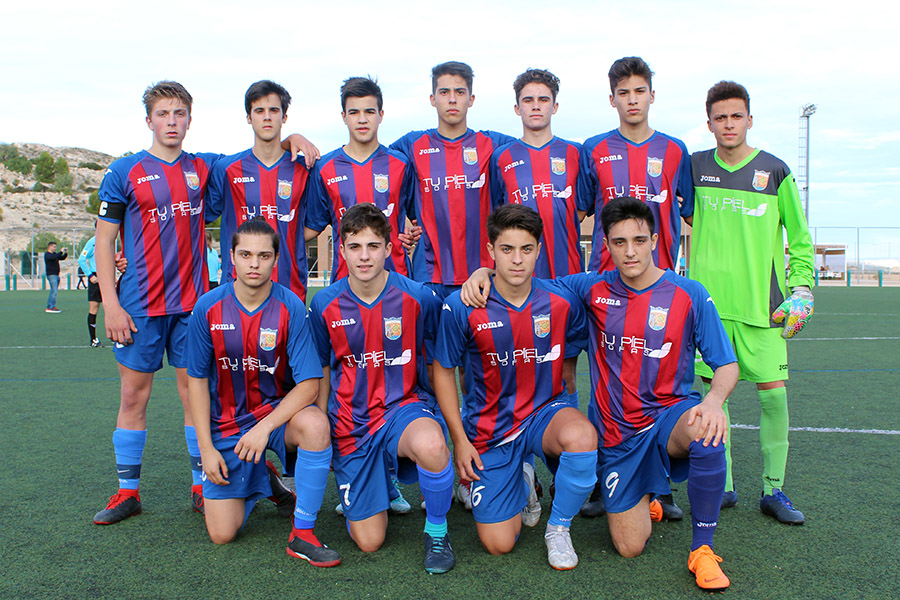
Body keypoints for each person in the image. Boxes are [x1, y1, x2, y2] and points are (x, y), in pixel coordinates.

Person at [460, 197, 739, 590]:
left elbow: (726, 364)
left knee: (708, 431)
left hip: (668, 416)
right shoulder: (590, 290)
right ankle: (649, 493)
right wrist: (485, 270)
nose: (630, 251)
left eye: (639, 240)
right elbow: (523, 279)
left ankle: (703, 551)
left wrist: (713, 401)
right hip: (618, 436)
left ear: (655, 240)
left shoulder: (689, 293)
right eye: (619, 242)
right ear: (605, 245)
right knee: (628, 546)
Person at [93, 81, 318, 526]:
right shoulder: (124, 171)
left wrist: (295, 138)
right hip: (138, 305)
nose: (171, 122)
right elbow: (104, 242)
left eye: (179, 114)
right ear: (149, 121)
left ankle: (203, 482)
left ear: (190, 120)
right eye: (163, 114)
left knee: (196, 394)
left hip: (195, 307)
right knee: (133, 393)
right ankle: (127, 491)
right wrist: (111, 303)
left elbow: (262, 147)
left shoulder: (208, 168)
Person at [434, 204, 597, 570]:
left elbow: (616, 278)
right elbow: (443, 371)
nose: (517, 260)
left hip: (544, 413)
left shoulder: (562, 297)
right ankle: (522, 481)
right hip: (491, 428)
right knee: (498, 543)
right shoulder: (462, 305)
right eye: (506, 249)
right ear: (491, 252)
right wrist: (459, 440)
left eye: (526, 249)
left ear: (539, 250)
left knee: (583, 438)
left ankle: (559, 528)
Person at [690, 81, 814, 524]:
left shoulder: (775, 172)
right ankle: (722, 484)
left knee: (774, 397)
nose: (728, 124)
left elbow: (799, 238)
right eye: (720, 117)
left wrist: (801, 289)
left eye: (735, 116)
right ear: (709, 123)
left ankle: (774, 490)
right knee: (713, 400)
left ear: (749, 120)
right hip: (710, 311)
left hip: (762, 310)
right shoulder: (694, 168)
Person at [308, 203, 455, 574]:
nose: (364, 256)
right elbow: (323, 368)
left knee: (432, 445)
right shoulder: (324, 303)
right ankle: (380, 485)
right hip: (352, 421)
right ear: (341, 250)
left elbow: (437, 359)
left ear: (389, 249)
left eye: (373, 246)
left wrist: (442, 419)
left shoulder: (419, 297)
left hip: (402, 408)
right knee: (369, 542)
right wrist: (324, 426)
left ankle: (437, 532)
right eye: (355, 247)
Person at [577, 56, 694, 520]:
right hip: (606, 286)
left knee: (663, 379)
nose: (631, 100)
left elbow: (690, 215)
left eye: (638, 91)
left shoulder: (675, 150)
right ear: (612, 99)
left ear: (651, 95)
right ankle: (598, 478)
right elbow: (581, 211)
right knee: (604, 380)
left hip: (661, 289)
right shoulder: (593, 149)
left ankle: (659, 484)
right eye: (622, 93)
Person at [186, 217, 340, 566]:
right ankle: (268, 481)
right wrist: (205, 451)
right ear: (231, 256)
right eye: (246, 255)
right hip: (225, 426)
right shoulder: (207, 308)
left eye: (264, 255)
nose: (254, 264)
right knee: (222, 534)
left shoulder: (291, 307)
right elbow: (195, 381)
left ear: (276, 259)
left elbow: (309, 385)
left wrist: (264, 428)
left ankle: (302, 534)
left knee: (316, 425)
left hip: (275, 418)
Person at [390, 61, 514, 296]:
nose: (452, 99)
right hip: (428, 274)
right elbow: (371, 163)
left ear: (471, 99)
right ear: (432, 99)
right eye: (444, 92)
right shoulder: (412, 145)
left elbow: (534, 150)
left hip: (483, 274)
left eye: (460, 92)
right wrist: (400, 225)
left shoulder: (494, 144)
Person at [207, 80, 313, 302]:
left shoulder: (306, 170)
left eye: (274, 110)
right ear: (248, 117)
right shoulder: (225, 169)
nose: (267, 117)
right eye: (259, 111)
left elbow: (316, 223)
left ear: (284, 117)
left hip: (290, 289)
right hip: (237, 290)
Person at [305, 76, 415, 284]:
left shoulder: (401, 163)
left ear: (381, 115)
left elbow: (420, 218)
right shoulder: (325, 168)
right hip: (344, 282)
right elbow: (311, 226)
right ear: (344, 116)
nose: (362, 119)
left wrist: (411, 233)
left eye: (369, 112)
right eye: (354, 112)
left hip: (397, 279)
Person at [77, 235, 103, 347]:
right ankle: (93, 339)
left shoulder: (109, 239)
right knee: (94, 308)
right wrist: (90, 275)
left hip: (106, 276)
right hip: (96, 277)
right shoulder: (92, 242)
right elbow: (81, 260)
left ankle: (116, 338)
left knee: (111, 306)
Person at [44, 241, 67, 313]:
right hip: (51, 275)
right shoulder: (47, 254)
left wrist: (65, 253)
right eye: (54, 247)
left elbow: (61, 257)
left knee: (54, 291)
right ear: (50, 247)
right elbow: (53, 257)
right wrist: (60, 252)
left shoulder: (54, 254)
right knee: (54, 291)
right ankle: (50, 307)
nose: (55, 248)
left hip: (56, 274)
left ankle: (52, 306)